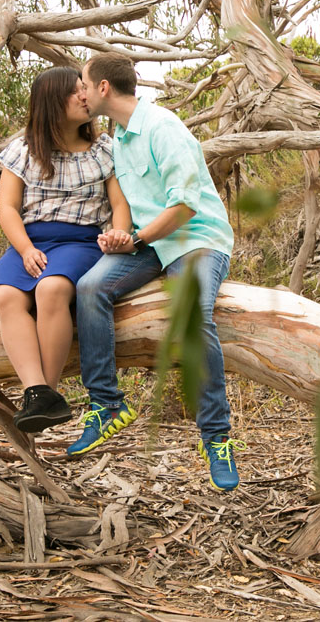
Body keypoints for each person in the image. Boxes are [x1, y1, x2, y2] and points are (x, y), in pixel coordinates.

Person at [70, 51, 242, 492]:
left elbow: (184, 207)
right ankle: (107, 404)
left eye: (85, 85)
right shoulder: (119, 138)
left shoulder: (164, 128)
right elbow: (129, 209)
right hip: (149, 244)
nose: (81, 93)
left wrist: (139, 239)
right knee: (89, 287)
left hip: (193, 239)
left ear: (103, 88)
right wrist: (118, 238)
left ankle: (216, 437)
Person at [0, 66, 132, 434]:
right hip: (32, 241)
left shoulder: (103, 150)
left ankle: (47, 393)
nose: (85, 96)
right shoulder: (22, 150)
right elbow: (7, 208)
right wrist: (24, 249)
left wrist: (119, 234)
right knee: (5, 294)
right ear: (52, 101)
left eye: (85, 89)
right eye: (76, 91)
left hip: (81, 240)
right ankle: (36, 391)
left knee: (51, 288)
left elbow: (119, 204)